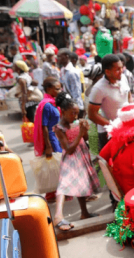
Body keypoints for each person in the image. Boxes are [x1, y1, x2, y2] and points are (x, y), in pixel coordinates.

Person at [53, 91, 100, 231]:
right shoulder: (59, 128)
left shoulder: (75, 123)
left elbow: (84, 139)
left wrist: (84, 130)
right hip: (71, 159)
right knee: (63, 186)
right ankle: (58, 216)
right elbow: (69, 149)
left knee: (81, 184)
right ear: (63, 112)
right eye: (72, 113)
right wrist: (80, 132)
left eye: (77, 113)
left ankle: (84, 213)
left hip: (81, 155)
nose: (75, 116)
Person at [88, 54, 133, 151]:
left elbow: (129, 95)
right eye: (117, 69)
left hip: (126, 129)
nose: (121, 71)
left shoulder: (123, 78)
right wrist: (113, 125)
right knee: (110, 163)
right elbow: (92, 114)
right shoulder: (99, 89)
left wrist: (132, 111)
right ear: (107, 72)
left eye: (121, 68)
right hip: (108, 134)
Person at [33, 77, 63, 202]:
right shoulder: (46, 105)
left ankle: (58, 191)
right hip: (51, 137)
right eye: (57, 89)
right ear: (49, 89)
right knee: (53, 165)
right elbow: (43, 126)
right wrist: (48, 145)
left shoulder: (52, 102)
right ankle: (52, 194)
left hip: (55, 136)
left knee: (56, 165)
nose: (59, 90)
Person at [58, 49, 85, 118]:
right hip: (68, 106)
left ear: (66, 57)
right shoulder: (62, 70)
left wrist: (76, 108)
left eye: (59, 57)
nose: (57, 59)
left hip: (74, 108)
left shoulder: (72, 72)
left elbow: (76, 92)